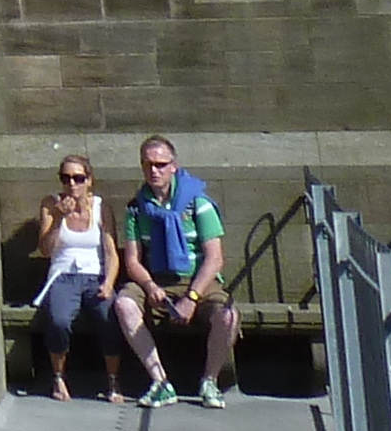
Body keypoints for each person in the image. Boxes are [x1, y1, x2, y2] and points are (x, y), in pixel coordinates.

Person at [109, 134, 240, 408]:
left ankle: (210, 382)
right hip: (157, 279)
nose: (154, 170)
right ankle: (160, 382)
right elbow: (132, 260)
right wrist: (149, 286)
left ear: (173, 166)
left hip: (198, 280)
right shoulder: (136, 208)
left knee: (228, 315)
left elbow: (215, 258)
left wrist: (191, 298)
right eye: (148, 165)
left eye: (160, 164)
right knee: (123, 304)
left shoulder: (198, 203)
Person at [28, 154, 119, 401]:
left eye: (78, 178)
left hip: (94, 275)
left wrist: (109, 283)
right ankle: (58, 378)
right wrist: (58, 218)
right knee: (59, 321)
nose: (72, 184)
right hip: (62, 275)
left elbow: (111, 252)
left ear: (89, 180)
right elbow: (46, 250)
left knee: (109, 316)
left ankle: (113, 381)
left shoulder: (102, 208)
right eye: (66, 178)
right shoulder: (51, 204)